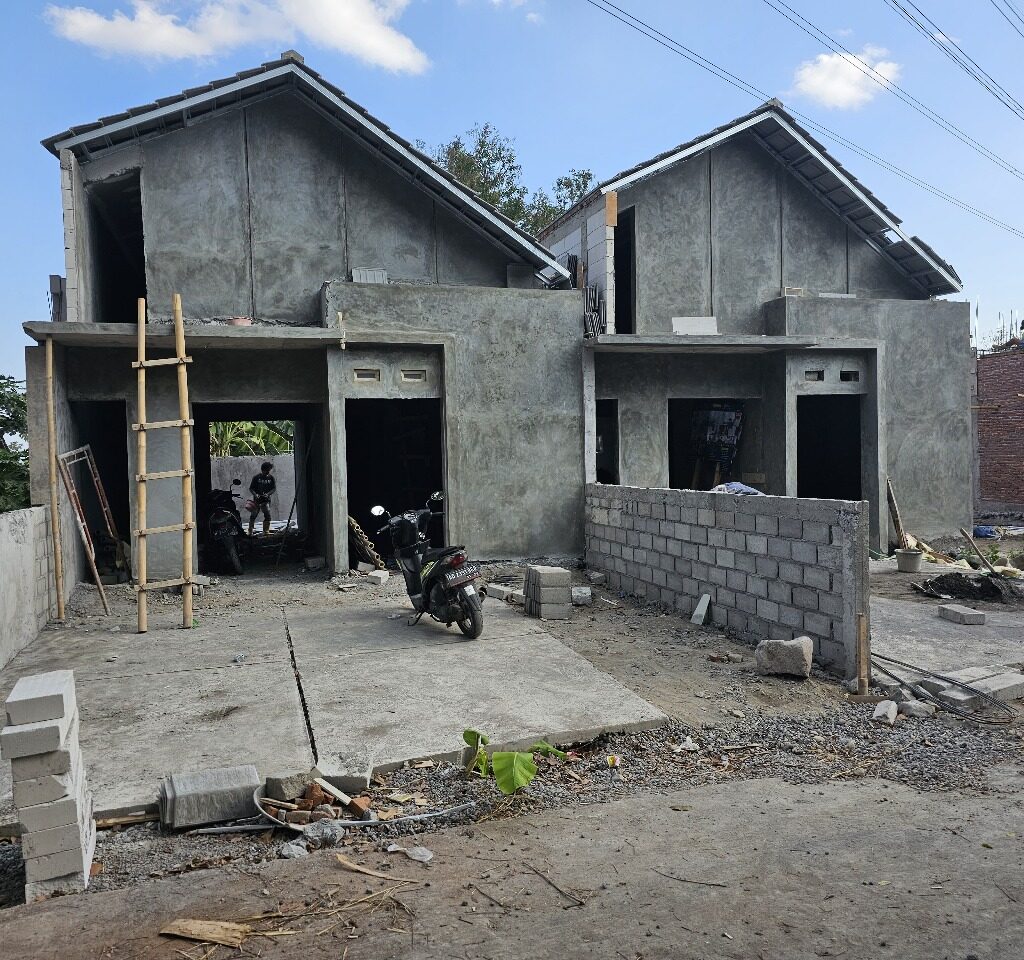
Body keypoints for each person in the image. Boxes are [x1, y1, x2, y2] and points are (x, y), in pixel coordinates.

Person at [247, 461, 276, 536]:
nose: (268, 472)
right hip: (257, 501)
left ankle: (266, 531)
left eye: (269, 470)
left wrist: (268, 494)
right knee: (253, 516)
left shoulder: (271, 478)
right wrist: (255, 495)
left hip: (266, 501)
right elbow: (251, 488)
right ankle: (250, 531)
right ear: (263, 469)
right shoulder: (256, 477)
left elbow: (273, 488)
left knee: (267, 516)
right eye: (267, 470)